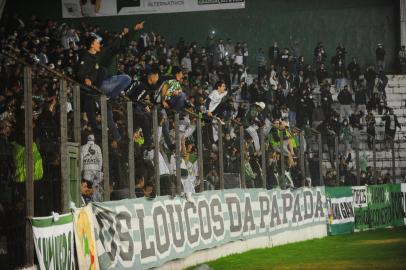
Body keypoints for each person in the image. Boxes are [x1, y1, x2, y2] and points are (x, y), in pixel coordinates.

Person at [77, 21, 144, 141]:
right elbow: (80, 73)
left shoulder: (100, 54)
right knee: (102, 73)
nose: (99, 44)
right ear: (92, 45)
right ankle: (112, 136)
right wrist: (85, 78)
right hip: (93, 89)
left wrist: (133, 31)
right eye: (97, 42)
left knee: (126, 78)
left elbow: (115, 45)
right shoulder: (85, 56)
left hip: (103, 87)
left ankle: (118, 139)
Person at [80, 134, 103, 201]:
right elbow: (100, 160)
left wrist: (81, 171)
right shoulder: (98, 147)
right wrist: (99, 170)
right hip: (96, 172)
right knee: (95, 189)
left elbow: (81, 161)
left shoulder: (83, 147)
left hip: (86, 172)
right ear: (94, 139)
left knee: (87, 190)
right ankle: (95, 202)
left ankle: (88, 202)